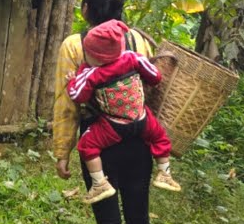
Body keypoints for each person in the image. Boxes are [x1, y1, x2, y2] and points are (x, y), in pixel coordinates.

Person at [52, 0, 162, 224]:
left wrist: (62, 151)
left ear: (85, 9)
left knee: (109, 223)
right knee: (140, 220)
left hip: (99, 143)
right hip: (139, 137)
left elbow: (66, 103)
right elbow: (151, 88)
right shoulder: (139, 41)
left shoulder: (75, 45)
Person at [68, 19, 182, 204]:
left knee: (87, 145)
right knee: (160, 138)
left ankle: (99, 184)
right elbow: (155, 77)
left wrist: (73, 79)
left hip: (113, 125)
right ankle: (164, 173)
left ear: (96, 56)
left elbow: (77, 95)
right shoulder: (133, 58)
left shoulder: (92, 73)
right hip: (142, 119)